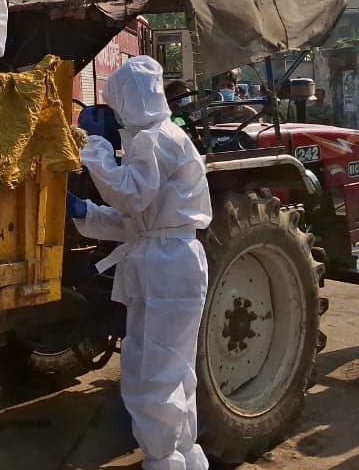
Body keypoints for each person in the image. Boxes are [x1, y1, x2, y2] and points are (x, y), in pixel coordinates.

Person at [66, 56, 212, 470]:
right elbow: (138, 222)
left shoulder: (155, 140)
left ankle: (163, 459)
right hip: (167, 258)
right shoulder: (161, 138)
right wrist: (84, 213)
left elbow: (129, 197)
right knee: (172, 366)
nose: (109, 114)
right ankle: (182, 454)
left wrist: (94, 147)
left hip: (167, 267)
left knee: (153, 369)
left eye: (113, 105)